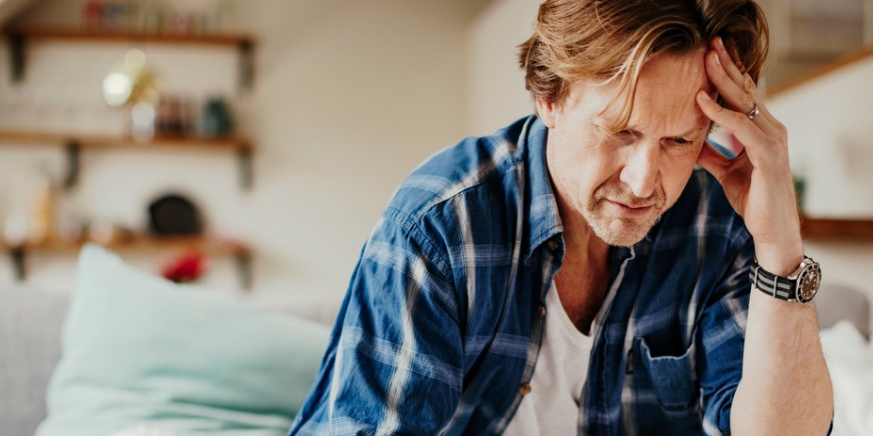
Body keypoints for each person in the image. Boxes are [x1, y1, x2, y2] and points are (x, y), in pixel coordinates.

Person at [290, 0, 834, 434]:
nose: (645, 181)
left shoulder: (716, 222)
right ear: (548, 97)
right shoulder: (438, 228)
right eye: (619, 130)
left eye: (679, 140)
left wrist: (780, 245)